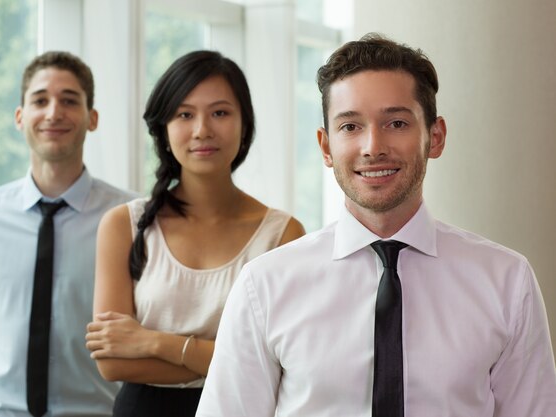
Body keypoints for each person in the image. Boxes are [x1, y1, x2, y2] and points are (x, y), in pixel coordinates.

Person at [195, 33, 556, 417]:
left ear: (435, 137)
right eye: (350, 127)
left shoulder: (507, 281)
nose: (373, 147)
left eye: (397, 122)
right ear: (326, 147)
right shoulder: (264, 286)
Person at [84, 50, 305, 417]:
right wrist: (221, 356)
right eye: (185, 114)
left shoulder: (283, 235)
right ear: (164, 129)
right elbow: (113, 363)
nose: (202, 129)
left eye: (220, 112)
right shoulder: (123, 224)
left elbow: (283, 362)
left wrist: (151, 342)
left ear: (244, 124)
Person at [0, 51, 135, 417]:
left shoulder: (129, 218)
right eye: (40, 100)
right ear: (20, 117)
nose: (54, 112)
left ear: (92, 118)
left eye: (69, 100)